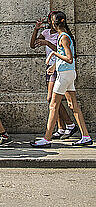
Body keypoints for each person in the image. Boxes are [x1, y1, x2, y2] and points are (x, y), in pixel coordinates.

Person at [31, 12, 92, 147]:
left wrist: (53, 53)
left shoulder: (63, 37)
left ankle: (46, 139)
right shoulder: (64, 36)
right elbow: (66, 57)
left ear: (54, 23)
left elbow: (69, 58)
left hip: (64, 75)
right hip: (68, 73)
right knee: (73, 105)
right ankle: (86, 136)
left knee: (53, 105)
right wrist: (54, 65)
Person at [30, 11, 76, 139]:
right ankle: (61, 128)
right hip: (50, 67)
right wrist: (36, 29)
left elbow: (62, 51)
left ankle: (70, 125)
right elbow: (33, 45)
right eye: (50, 19)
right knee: (55, 100)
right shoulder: (46, 33)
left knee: (52, 99)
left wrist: (48, 44)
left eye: (52, 19)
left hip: (60, 68)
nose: (51, 22)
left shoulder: (63, 35)